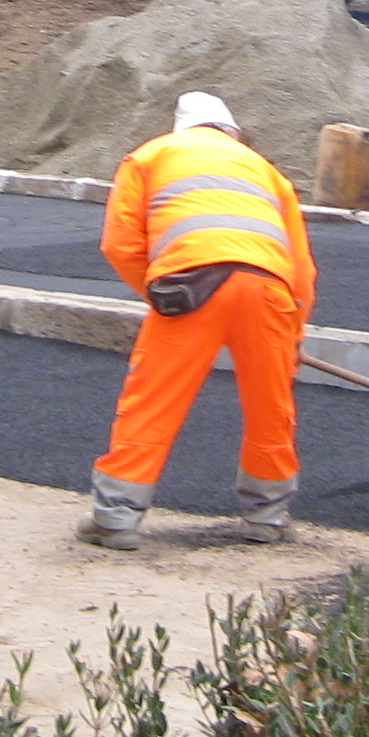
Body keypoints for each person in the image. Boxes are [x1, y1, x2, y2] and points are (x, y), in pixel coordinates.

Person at [81, 91, 318, 551]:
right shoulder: (266, 171)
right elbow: (302, 267)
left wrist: (158, 289)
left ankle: (115, 519)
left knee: (152, 399)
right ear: (231, 133)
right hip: (268, 287)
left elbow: (119, 243)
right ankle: (268, 517)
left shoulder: (149, 156)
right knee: (271, 406)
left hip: (190, 285)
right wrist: (294, 332)